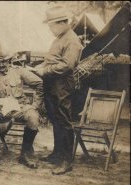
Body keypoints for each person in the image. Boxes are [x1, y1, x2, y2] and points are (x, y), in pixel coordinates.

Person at [31, 6, 83, 175]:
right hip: (52, 84)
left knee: (64, 121)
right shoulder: (61, 37)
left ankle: (67, 161)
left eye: (51, 25)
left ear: (61, 23)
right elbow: (55, 60)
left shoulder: (72, 40)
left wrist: (44, 71)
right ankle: (57, 153)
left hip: (62, 86)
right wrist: (42, 66)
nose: (50, 29)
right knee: (55, 118)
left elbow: (67, 65)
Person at [0, 44, 44, 169]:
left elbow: (39, 83)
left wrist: (36, 104)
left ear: (9, 60)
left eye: (4, 61)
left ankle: (25, 154)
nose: (1, 65)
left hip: (19, 109)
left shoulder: (18, 71)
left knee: (33, 117)